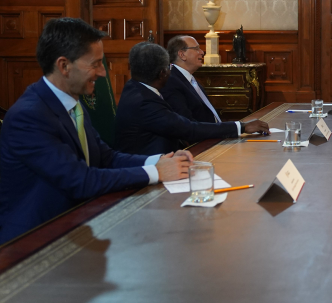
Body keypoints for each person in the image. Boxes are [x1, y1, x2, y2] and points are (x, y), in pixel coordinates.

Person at [0, 18, 192, 244]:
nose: (102, 73)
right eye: (95, 64)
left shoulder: (72, 102)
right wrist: (157, 173)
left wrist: (160, 160)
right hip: (34, 243)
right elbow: (81, 180)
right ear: (64, 66)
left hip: (79, 227)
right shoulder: (29, 115)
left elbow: (106, 157)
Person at [115, 43, 270, 156]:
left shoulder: (133, 87)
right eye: (170, 68)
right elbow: (188, 129)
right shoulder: (145, 102)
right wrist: (241, 127)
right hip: (150, 170)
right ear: (163, 73)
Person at [161, 35, 220, 123]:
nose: (202, 52)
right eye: (196, 49)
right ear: (182, 54)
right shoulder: (171, 82)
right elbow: (187, 124)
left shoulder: (190, 79)